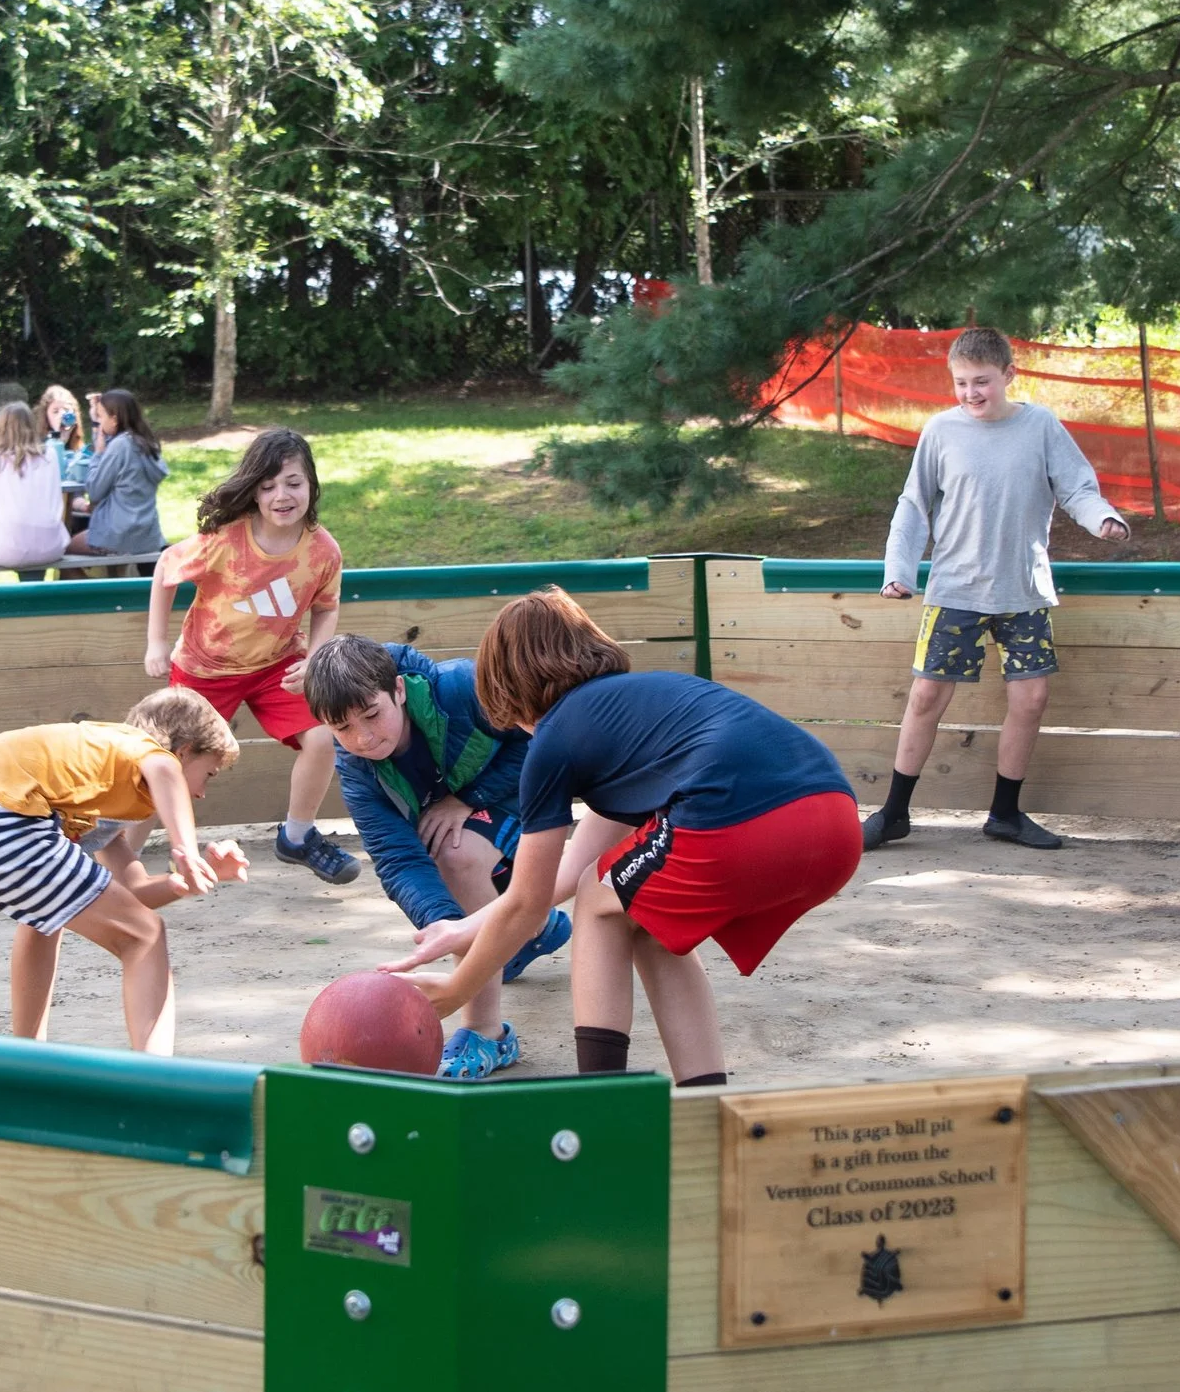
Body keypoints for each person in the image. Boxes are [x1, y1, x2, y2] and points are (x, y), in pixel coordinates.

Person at [386, 589, 859, 1086]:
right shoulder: (637, 712)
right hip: (834, 825)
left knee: (599, 892)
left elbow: (528, 902)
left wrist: (460, 987)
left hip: (741, 821)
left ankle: (599, 1101)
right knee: (643, 918)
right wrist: (464, 929)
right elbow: (560, 873)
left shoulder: (555, 738)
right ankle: (705, 1100)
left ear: (505, 689)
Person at [861, 326, 1130, 853]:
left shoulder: (1041, 426)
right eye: (960, 383)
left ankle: (1005, 813)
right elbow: (913, 506)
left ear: (1009, 375)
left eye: (981, 381)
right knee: (926, 695)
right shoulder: (941, 431)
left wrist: (1102, 518)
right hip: (955, 590)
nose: (970, 393)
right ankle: (894, 813)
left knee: (1031, 697)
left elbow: (1076, 486)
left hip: (1023, 589)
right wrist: (899, 570)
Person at [0, 688, 251, 1055]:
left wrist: (193, 878)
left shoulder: (91, 787)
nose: (201, 794)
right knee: (145, 936)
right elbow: (164, 769)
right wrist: (187, 849)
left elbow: (132, 892)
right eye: (208, 774)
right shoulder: (138, 747)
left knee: (47, 917)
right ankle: (154, 1077)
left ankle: (27, 1057)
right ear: (183, 752)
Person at [303, 633, 574, 1078]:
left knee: (455, 852)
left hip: (526, 800)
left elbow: (539, 740)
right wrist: (443, 925)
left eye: (372, 715)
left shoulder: (462, 688)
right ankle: (531, 932)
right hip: (470, 819)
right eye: (343, 729)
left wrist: (471, 798)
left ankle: (488, 1033)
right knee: (443, 853)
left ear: (399, 691)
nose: (364, 738)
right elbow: (396, 858)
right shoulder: (356, 770)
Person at [142, 428, 355, 883]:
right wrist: (156, 642)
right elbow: (165, 568)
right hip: (205, 668)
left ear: (311, 486)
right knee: (169, 760)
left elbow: (326, 608)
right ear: (255, 492)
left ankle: (297, 837)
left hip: (275, 667)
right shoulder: (225, 539)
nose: (283, 495)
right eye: (269, 485)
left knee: (322, 738)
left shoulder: (322, 551)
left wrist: (314, 660)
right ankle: (124, 852)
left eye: (294, 483)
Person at [0, 402, 72, 567]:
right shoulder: (51, 456)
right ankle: (32, 590)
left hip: (6, 547)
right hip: (50, 545)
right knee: (33, 563)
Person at [71, 388, 167, 561]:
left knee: (66, 550)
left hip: (117, 537)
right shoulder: (147, 443)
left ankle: (94, 589)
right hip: (147, 536)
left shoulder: (120, 446)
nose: (99, 422)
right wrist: (97, 424)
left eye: (101, 417)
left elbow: (94, 491)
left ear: (114, 419)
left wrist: (98, 455)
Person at [40, 385, 91, 490]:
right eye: (55, 411)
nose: (61, 415)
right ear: (46, 416)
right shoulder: (41, 446)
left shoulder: (80, 450)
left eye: (66, 410)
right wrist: (59, 439)